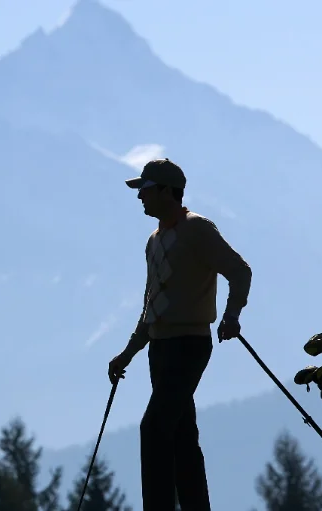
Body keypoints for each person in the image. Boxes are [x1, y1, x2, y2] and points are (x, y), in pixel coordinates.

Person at [107, 158, 252, 511]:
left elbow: (239, 271)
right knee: (181, 438)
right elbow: (151, 306)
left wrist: (232, 316)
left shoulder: (198, 230)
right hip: (160, 349)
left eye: (145, 189)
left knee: (154, 429)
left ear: (168, 192)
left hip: (189, 346)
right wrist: (127, 354)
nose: (140, 197)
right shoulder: (153, 242)